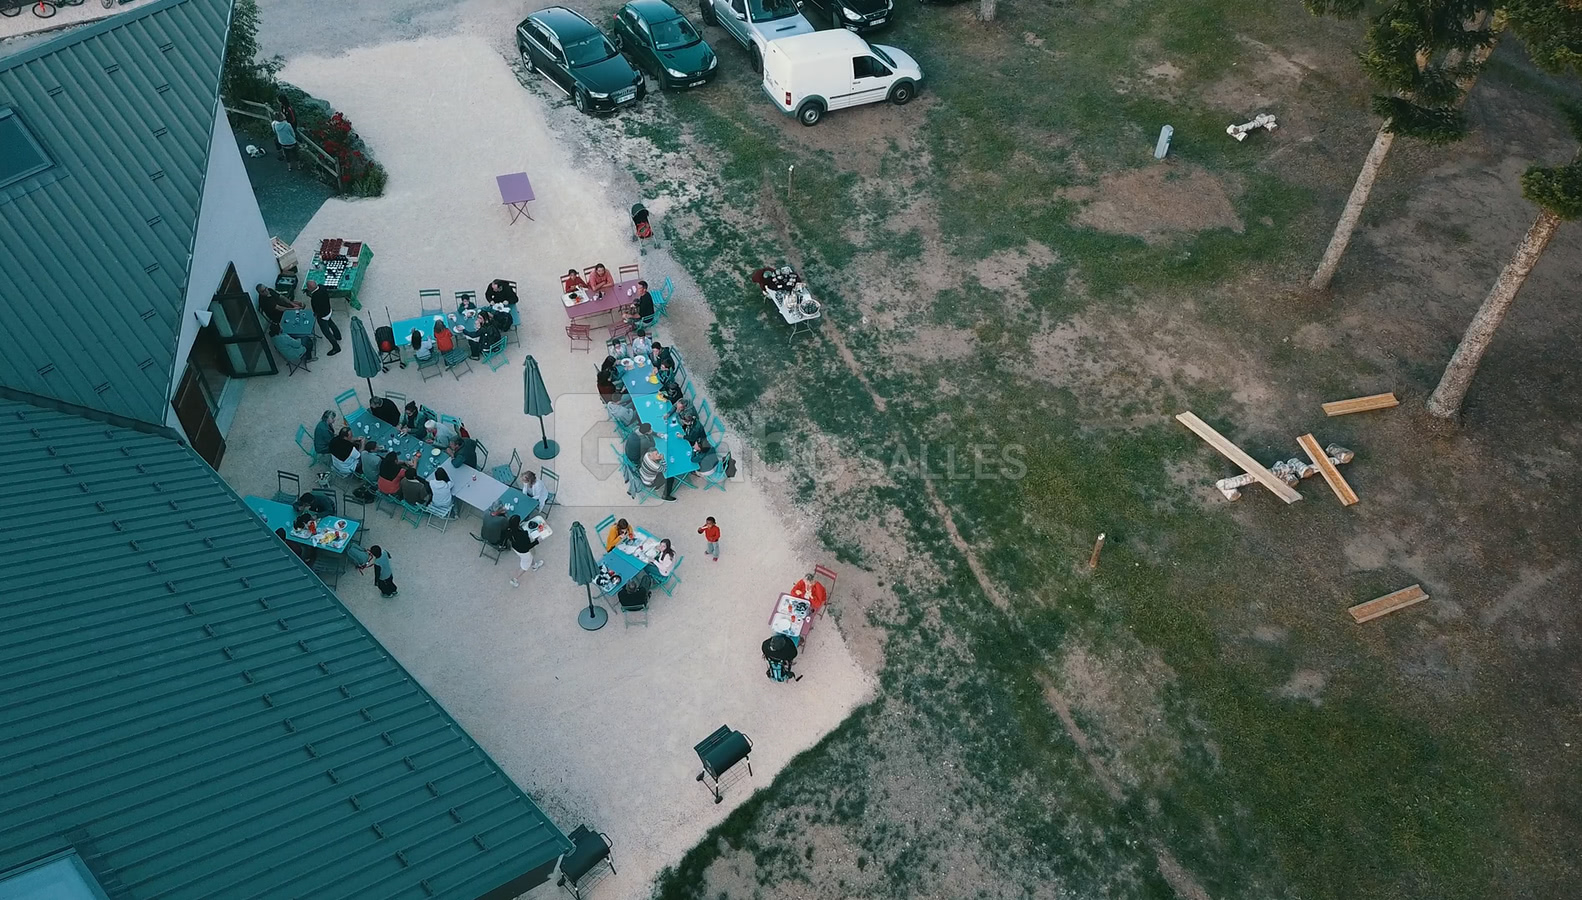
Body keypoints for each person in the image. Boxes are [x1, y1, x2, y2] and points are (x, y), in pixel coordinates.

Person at [304, 279, 342, 356]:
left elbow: (316, 309)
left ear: (310, 288)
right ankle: (338, 336)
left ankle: (336, 347)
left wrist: (317, 315)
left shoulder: (315, 297)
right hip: (328, 310)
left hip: (323, 316)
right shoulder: (322, 287)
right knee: (331, 323)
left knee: (326, 332)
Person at [508, 515, 545, 587]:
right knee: (524, 567)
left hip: (516, 548)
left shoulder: (509, 530)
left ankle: (534, 565)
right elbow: (528, 546)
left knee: (530, 556)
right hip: (524, 552)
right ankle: (514, 579)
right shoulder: (522, 535)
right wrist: (537, 541)